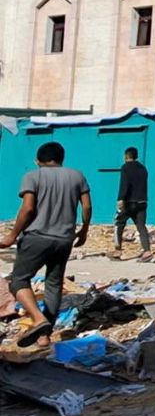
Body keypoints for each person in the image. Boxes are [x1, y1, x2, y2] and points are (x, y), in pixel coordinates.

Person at [0, 141, 91, 348]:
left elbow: (28, 209)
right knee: (53, 284)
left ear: (37, 160)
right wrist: (84, 230)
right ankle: (44, 336)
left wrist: (12, 235)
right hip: (64, 239)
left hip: (36, 237)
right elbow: (87, 206)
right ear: (61, 159)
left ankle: (38, 319)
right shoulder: (77, 176)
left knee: (18, 281)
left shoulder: (33, 176)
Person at [114, 146, 152, 260]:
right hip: (142, 201)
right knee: (141, 226)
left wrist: (121, 199)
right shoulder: (143, 168)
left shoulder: (125, 168)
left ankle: (117, 250)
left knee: (119, 223)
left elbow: (124, 184)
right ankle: (147, 251)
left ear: (126, 156)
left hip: (129, 202)